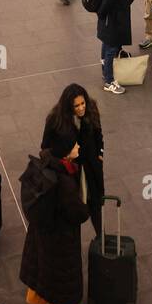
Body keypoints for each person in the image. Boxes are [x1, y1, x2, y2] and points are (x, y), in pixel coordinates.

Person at [19, 130, 89, 304]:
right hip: (61, 238)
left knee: (43, 271)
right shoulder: (64, 181)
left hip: (42, 232)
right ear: (66, 152)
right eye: (75, 145)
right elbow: (78, 213)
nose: (78, 147)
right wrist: (86, 209)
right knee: (61, 282)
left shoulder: (46, 163)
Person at [41, 85, 104, 238]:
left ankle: (100, 237)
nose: (81, 108)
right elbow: (45, 148)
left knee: (95, 205)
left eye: (83, 103)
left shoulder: (92, 109)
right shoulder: (55, 120)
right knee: (73, 208)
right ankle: (71, 243)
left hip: (91, 167)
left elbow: (98, 135)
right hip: (70, 171)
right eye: (77, 105)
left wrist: (100, 155)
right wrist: (68, 156)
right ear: (69, 106)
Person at [96, 0, 134, 95]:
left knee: (106, 44)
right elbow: (108, 1)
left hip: (109, 19)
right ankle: (109, 81)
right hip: (113, 19)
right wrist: (103, 14)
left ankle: (105, 68)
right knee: (111, 47)